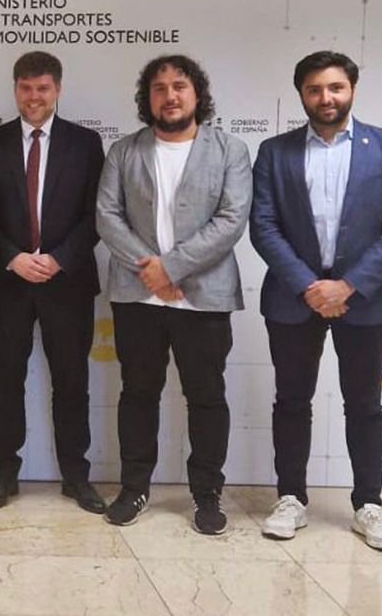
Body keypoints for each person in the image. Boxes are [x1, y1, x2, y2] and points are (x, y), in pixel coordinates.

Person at [96, 54, 251, 535]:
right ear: (148, 99)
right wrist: (152, 272)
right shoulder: (124, 150)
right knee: (138, 394)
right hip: (138, 298)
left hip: (202, 298)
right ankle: (134, 487)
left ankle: (207, 495)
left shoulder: (230, 150)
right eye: (159, 88)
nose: (170, 95)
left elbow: (231, 220)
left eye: (179, 86)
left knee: (206, 398)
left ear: (196, 93)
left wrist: (173, 267)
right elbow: (107, 216)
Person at [250, 50, 382, 550]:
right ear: (302, 95)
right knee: (292, 401)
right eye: (315, 89)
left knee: (365, 404)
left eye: (335, 87)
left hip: (367, 299)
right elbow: (264, 227)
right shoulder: (275, 151)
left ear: (351, 88)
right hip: (295, 299)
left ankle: (369, 504)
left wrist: (348, 286)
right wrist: (310, 286)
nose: (326, 97)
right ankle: (290, 498)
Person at [0, 51, 106, 513]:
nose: (34, 97)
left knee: (72, 382)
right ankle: (3, 475)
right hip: (7, 283)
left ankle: (76, 476)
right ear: (15, 90)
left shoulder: (86, 143)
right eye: (26, 89)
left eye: (43, 88)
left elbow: (96, 216)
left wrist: (58, 258)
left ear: (58, 90)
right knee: (4, 381)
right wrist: (12, 258)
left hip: (66, 283)